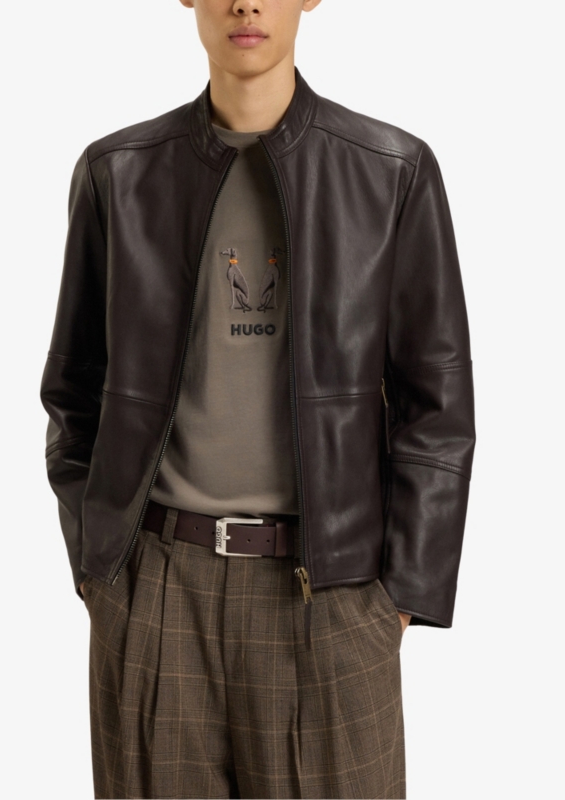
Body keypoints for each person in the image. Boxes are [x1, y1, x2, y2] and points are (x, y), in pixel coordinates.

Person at [40, 1, 476, 797]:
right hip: (157, 593)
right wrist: (101, 569)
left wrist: (399, 598)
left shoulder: (391, 171)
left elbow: (437, 403)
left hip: (333, 598)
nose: (246, 3)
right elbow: (74, 392)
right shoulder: (117, 173)